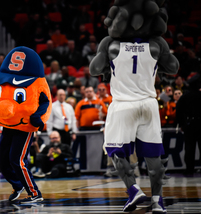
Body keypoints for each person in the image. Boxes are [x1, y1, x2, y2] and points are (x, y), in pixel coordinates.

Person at [89, 1, 179, 211]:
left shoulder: (110, 44)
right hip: (148, 104)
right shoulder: (157, 44)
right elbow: (174, 67)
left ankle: (134, 192)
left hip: (123, 104)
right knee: (153, 156)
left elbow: (94, 69)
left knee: (115, 150)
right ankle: (158, 201)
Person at [0, 46, 52, 204]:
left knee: (17, 160)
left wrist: (38, 117)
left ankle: (35, 193)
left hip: (24, 126)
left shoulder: (36, 82)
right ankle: (17, 184)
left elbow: (45, 101)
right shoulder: (2, 78)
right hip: (8, 124)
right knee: (2, 160)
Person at [176, 75, 201, 176]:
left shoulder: (184, 97)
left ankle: (189, 170)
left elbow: (179, 111)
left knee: (189, 148)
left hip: (189, 125)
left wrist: (181, 124)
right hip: (200, 124)